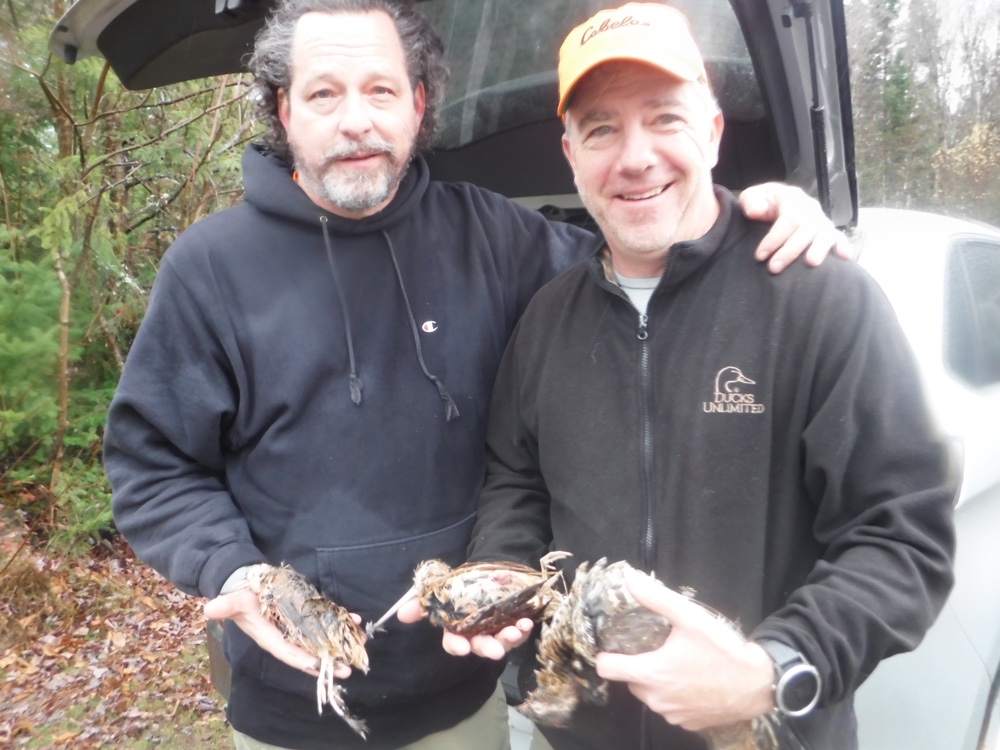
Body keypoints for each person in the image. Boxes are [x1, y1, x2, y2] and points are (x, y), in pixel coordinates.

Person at [103, 1, 848, 749]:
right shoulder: (209, 270)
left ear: (420, 104)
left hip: (462, 695)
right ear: (282, 109)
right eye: (325, 93)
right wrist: (231, 571)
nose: (356, 119)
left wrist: (748, 218)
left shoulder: (496, 237)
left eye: (382, 90)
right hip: (295, 705)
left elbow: (641, 250)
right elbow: (154, 464)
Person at [440, 4, 958, 750]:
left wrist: (771, 668)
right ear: (572, 154)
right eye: (602, 129)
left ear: (713, 131)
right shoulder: (545, 322)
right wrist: (504, 589)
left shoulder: (815, 296)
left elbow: (902, 536)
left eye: (664, 118)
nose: (635, 156)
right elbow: (516, 486)